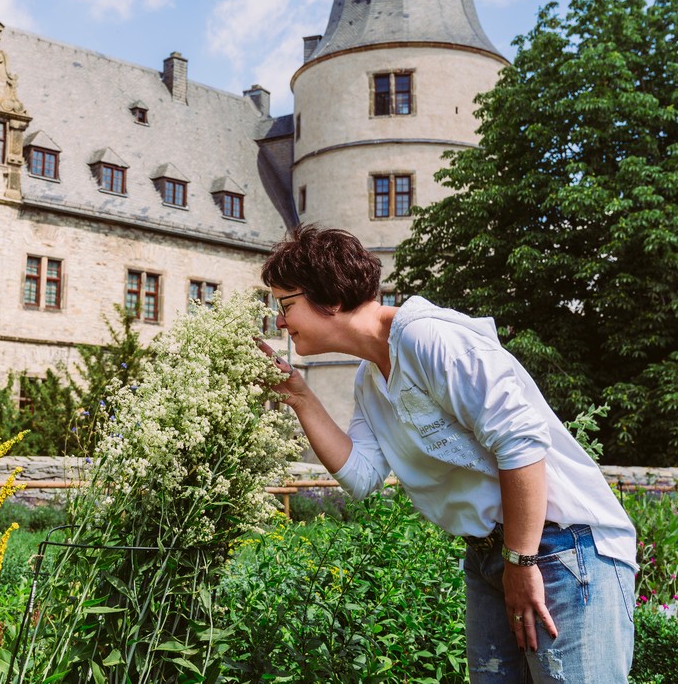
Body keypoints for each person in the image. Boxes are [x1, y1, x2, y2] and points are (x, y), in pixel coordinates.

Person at [258, 224, 636, 683]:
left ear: (330, 299)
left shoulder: (428, 338)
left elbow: (521, 444)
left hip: (563, 547)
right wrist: (300, 397)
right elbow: (361, 475)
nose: (280, 321)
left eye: (286, 305)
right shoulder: (370, 379)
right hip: (490, 556)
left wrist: (521, 561)